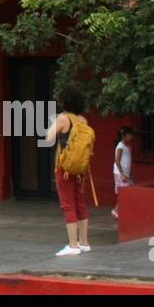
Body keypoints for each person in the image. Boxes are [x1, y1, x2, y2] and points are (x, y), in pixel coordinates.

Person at [44, 84, 95, 256]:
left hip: (64, 168)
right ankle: (84, 243)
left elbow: (48, 137)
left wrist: (54, 123)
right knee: (80, 203)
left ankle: (72, 246)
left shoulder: (63, 118)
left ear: (64, 101)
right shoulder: (83, 121)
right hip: (81, 170)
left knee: (68, 205)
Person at [112, 126, 134, 219]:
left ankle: (121, 210)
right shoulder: (120, 146)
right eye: (129, 135)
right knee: (125, 193)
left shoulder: (126, 146)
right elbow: (117, 160)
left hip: (125, 173)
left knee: (130, 191)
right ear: (124, 136)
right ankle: (116, 210)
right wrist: (121, 174)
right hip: (120, 173)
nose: (131, 137)